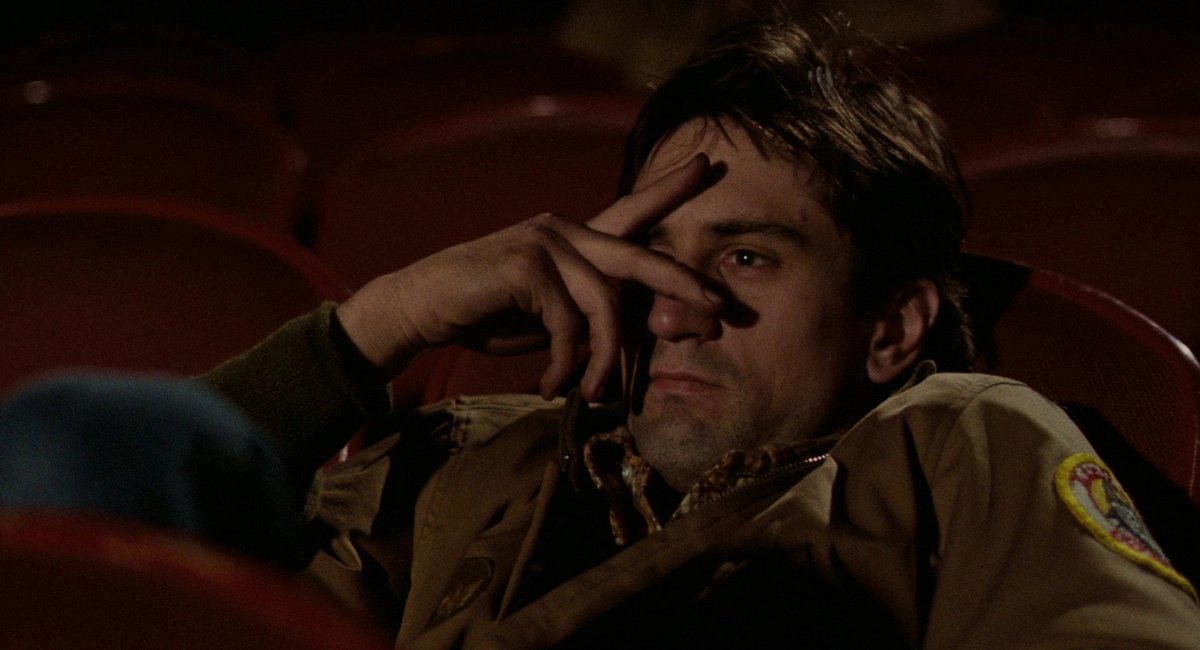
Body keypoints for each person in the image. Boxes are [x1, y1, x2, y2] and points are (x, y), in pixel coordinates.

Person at [12, 12, 1196, 648]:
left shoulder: (963, 439)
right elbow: (106, 571)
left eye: (745, 256)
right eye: (652, 252)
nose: (670, 304)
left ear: (892, 328)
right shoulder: (477, 450)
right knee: (86, 431)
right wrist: (387, 320)